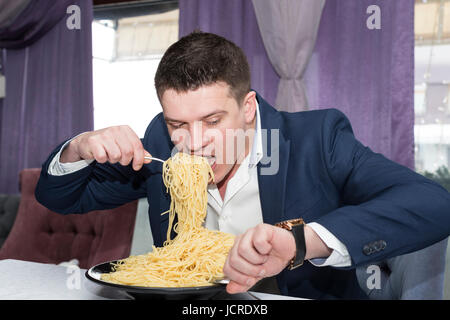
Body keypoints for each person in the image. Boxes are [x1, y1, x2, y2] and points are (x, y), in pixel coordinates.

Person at [35, 31, 450, 299]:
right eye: (178, 123)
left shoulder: (314, 139)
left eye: (212, 122)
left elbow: (432, 203)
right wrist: (80, 147)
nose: (193, 143)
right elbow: (61, 196)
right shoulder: (160, 145)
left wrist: (301, 243)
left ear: (248, 107)